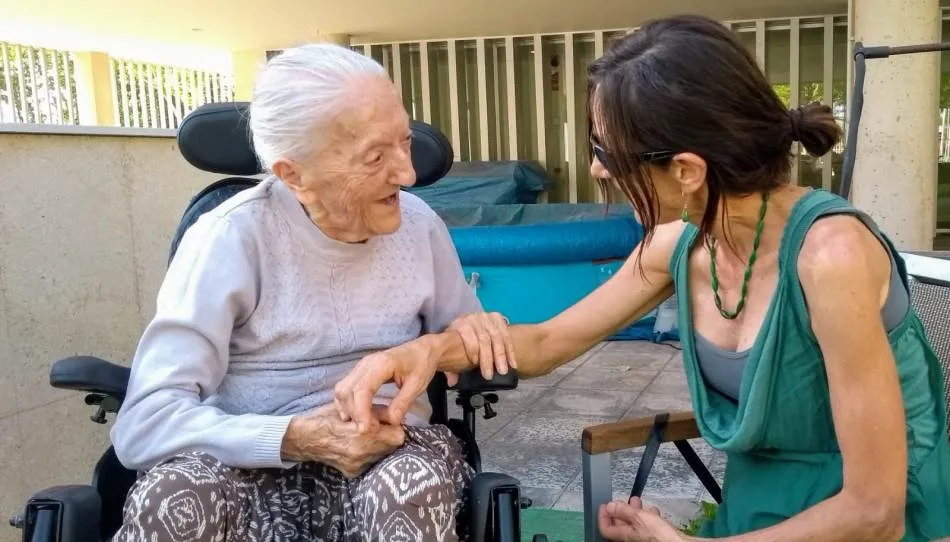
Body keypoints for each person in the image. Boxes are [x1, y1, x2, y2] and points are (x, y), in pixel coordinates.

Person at [333, 14, 950, 542]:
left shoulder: (830, 256)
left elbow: (876, 512)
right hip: (757, 517)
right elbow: (547, 344)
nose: (598, 171)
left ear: (685, 169)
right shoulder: (678, 245)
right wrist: (427, 350)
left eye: (606, 150)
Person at [109, 43, 485, 542]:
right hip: (246, 468)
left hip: (392, 457)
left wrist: (474, 334)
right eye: (376, 156)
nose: (408, 174)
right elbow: (145, 424)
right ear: (293, 176)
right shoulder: (229, 237)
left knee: (408, 488)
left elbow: (469, 344)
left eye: (405, 142)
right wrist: (292, 438)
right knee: (172, 496)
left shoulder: (421, 227)